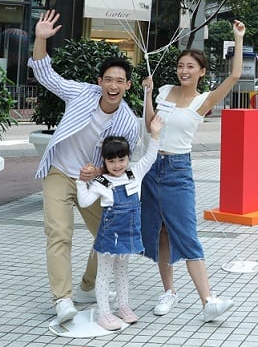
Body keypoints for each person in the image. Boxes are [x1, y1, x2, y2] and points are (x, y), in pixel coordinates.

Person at [29, 9, 141, 325]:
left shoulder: (128, 123)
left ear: (127, 85)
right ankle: (62, 299)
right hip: (60, 173)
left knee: (107, 233)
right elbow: (45, 74)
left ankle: (88, 287)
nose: (113, 85)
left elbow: (121, 164)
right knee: (59, 233)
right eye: (108, 79)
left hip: (93, 182)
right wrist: (40, 38)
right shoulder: (81, 93)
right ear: (99, 82)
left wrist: (99, 173)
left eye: (120, 80)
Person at [141, 20, 246, 322]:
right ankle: (168, 291)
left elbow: (236, 75)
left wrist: (238, 38)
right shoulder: (163, 90)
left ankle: (207, 300)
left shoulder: (202, 101)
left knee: (186, 234)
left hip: (177, 170)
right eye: (180, 66)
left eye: (190, 67)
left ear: (201, 72)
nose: (183, 71)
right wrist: (147, 94)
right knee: (160, 233)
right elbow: (151, 126)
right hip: (152, 167)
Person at [76, 88, 163, 331]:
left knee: (123, 271)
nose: (117, 164)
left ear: (127, 158)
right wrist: (80, 181)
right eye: (112, 161)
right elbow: (83, 202)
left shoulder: (135, 174)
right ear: (104, 161)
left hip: (129, 233)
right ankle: (105, 313)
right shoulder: (102, 182)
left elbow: (150, 155)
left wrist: (155, 133)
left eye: (121, 159)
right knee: (104, 274)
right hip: (109, 235)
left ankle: (123, 307)